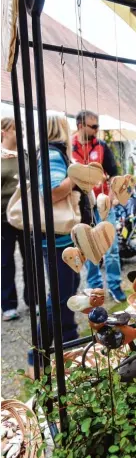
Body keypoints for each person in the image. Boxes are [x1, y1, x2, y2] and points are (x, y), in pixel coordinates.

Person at [28, 113, 89, 372]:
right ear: (60, 128)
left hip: (60, 239)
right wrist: (76, 176)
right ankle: (42, 355)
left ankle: (63, 347)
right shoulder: (53, 154)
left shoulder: (50, 153)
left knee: (63, 294)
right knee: (61, 297)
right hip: (58, 240)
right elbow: (51, 192)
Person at [72, 110, 126, 302]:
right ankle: (94, 289)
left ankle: (114, 285)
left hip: (103, 205)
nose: (97, 129)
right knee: (87, 248)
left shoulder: (102, 146)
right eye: (93, 126)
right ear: (80, 126)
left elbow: (114, 176)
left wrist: (110, 199)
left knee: (110, 248)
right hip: (81, 207)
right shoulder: (69, 148)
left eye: (97, 126)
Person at [1, 117, 29, 321]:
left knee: (30, 259)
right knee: (6, 261)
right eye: (15, 129)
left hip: (26, 216)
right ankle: (8, 305)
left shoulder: (25, 155)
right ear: (4, 132)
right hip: (3, 218)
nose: (20, 133)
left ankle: (33, 300)